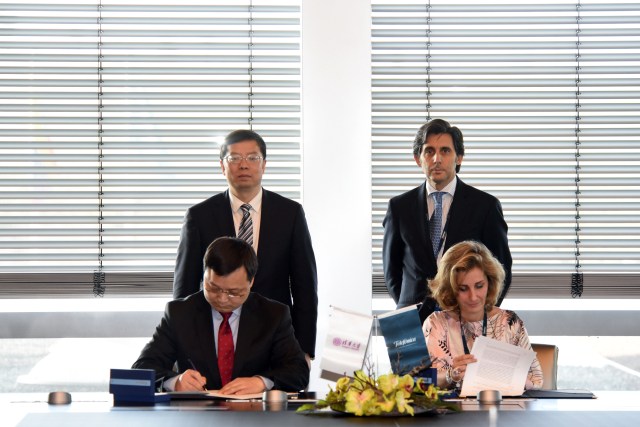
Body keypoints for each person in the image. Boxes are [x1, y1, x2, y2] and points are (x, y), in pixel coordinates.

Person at [172, 129, 318, 362]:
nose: (244, 165)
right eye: (235, 158)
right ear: (222, 166)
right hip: (217, 335)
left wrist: (305, 349)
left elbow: (305, 287)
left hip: (276, 337)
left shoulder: (289, 213)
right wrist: (182, 352)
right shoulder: (199, 216)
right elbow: (184, 290)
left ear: (264, 165)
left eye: (252, 158)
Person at [133, 237, 309, 393]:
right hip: (197, 416)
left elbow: (298, 372)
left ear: (251, 282)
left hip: (254, 416)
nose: (222, 299)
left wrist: (262, 382)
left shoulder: (273, 315)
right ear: (204, 275)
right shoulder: (180, 314)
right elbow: (141, 369)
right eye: (213, 288)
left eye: (234, 292)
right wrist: (175, 382)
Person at [382, 118, 512, 322]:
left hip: (466, 320)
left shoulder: (485, 206)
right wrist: (410, 309)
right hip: (412, 322)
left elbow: (500, 270)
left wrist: (479, 314)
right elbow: (392, 273)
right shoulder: (399, 207)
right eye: (429, 151)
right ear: (418, 159)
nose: (436, 159)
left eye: (445, 151)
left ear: (459, 157)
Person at [422, 240, 542, 390]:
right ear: (451, 289)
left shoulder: (510, 322)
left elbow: (536, 381)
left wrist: (504, 375)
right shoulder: (436, 323)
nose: (473, 297)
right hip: (451, 411)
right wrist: (451, 375)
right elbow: (421, 382)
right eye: (463, 289)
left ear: (490, 283)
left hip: (502, 410)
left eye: (479, 286)